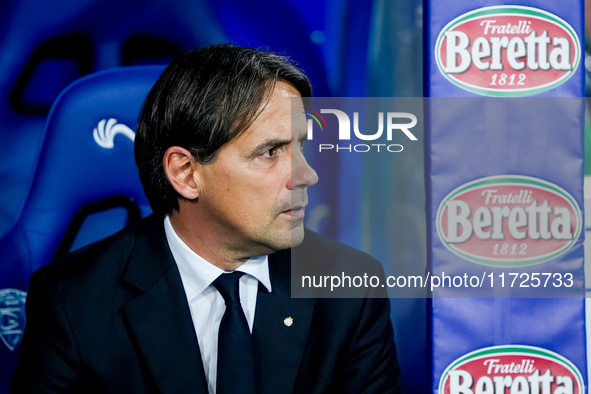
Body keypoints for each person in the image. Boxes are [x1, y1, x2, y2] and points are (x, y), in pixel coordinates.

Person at [12, 44, 400, 393]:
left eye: (300, 146)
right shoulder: (71, 301)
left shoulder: (351, 287)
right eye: (270, 152)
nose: (306, 174)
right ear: (185, 173)